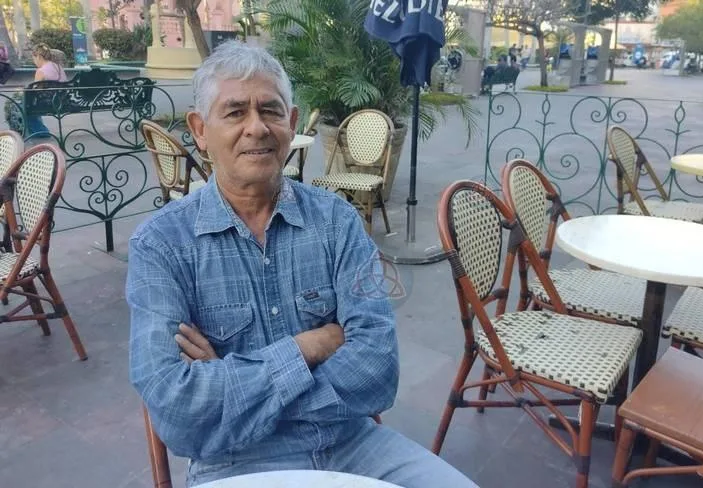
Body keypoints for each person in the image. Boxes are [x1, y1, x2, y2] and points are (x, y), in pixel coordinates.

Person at [126, 40, 478, 488]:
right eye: (235, 112)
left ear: (291, 124)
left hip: (353, 444)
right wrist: (310, 346)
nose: (257, 128)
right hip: (235, 461)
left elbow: (378, 370)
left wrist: (233, 391)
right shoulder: (161, 245)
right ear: (199, 129)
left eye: (270, 111)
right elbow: (179, 414)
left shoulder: (337, 222)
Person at [27, 44, 67, 138]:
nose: (34, 62)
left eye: (34, 59)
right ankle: (39, 130)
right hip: (63, 101)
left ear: (39, 57)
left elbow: (33, 91)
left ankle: (41, 132)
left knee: (24, 105)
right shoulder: (58, 67)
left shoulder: (41, 71)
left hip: (48, 104)